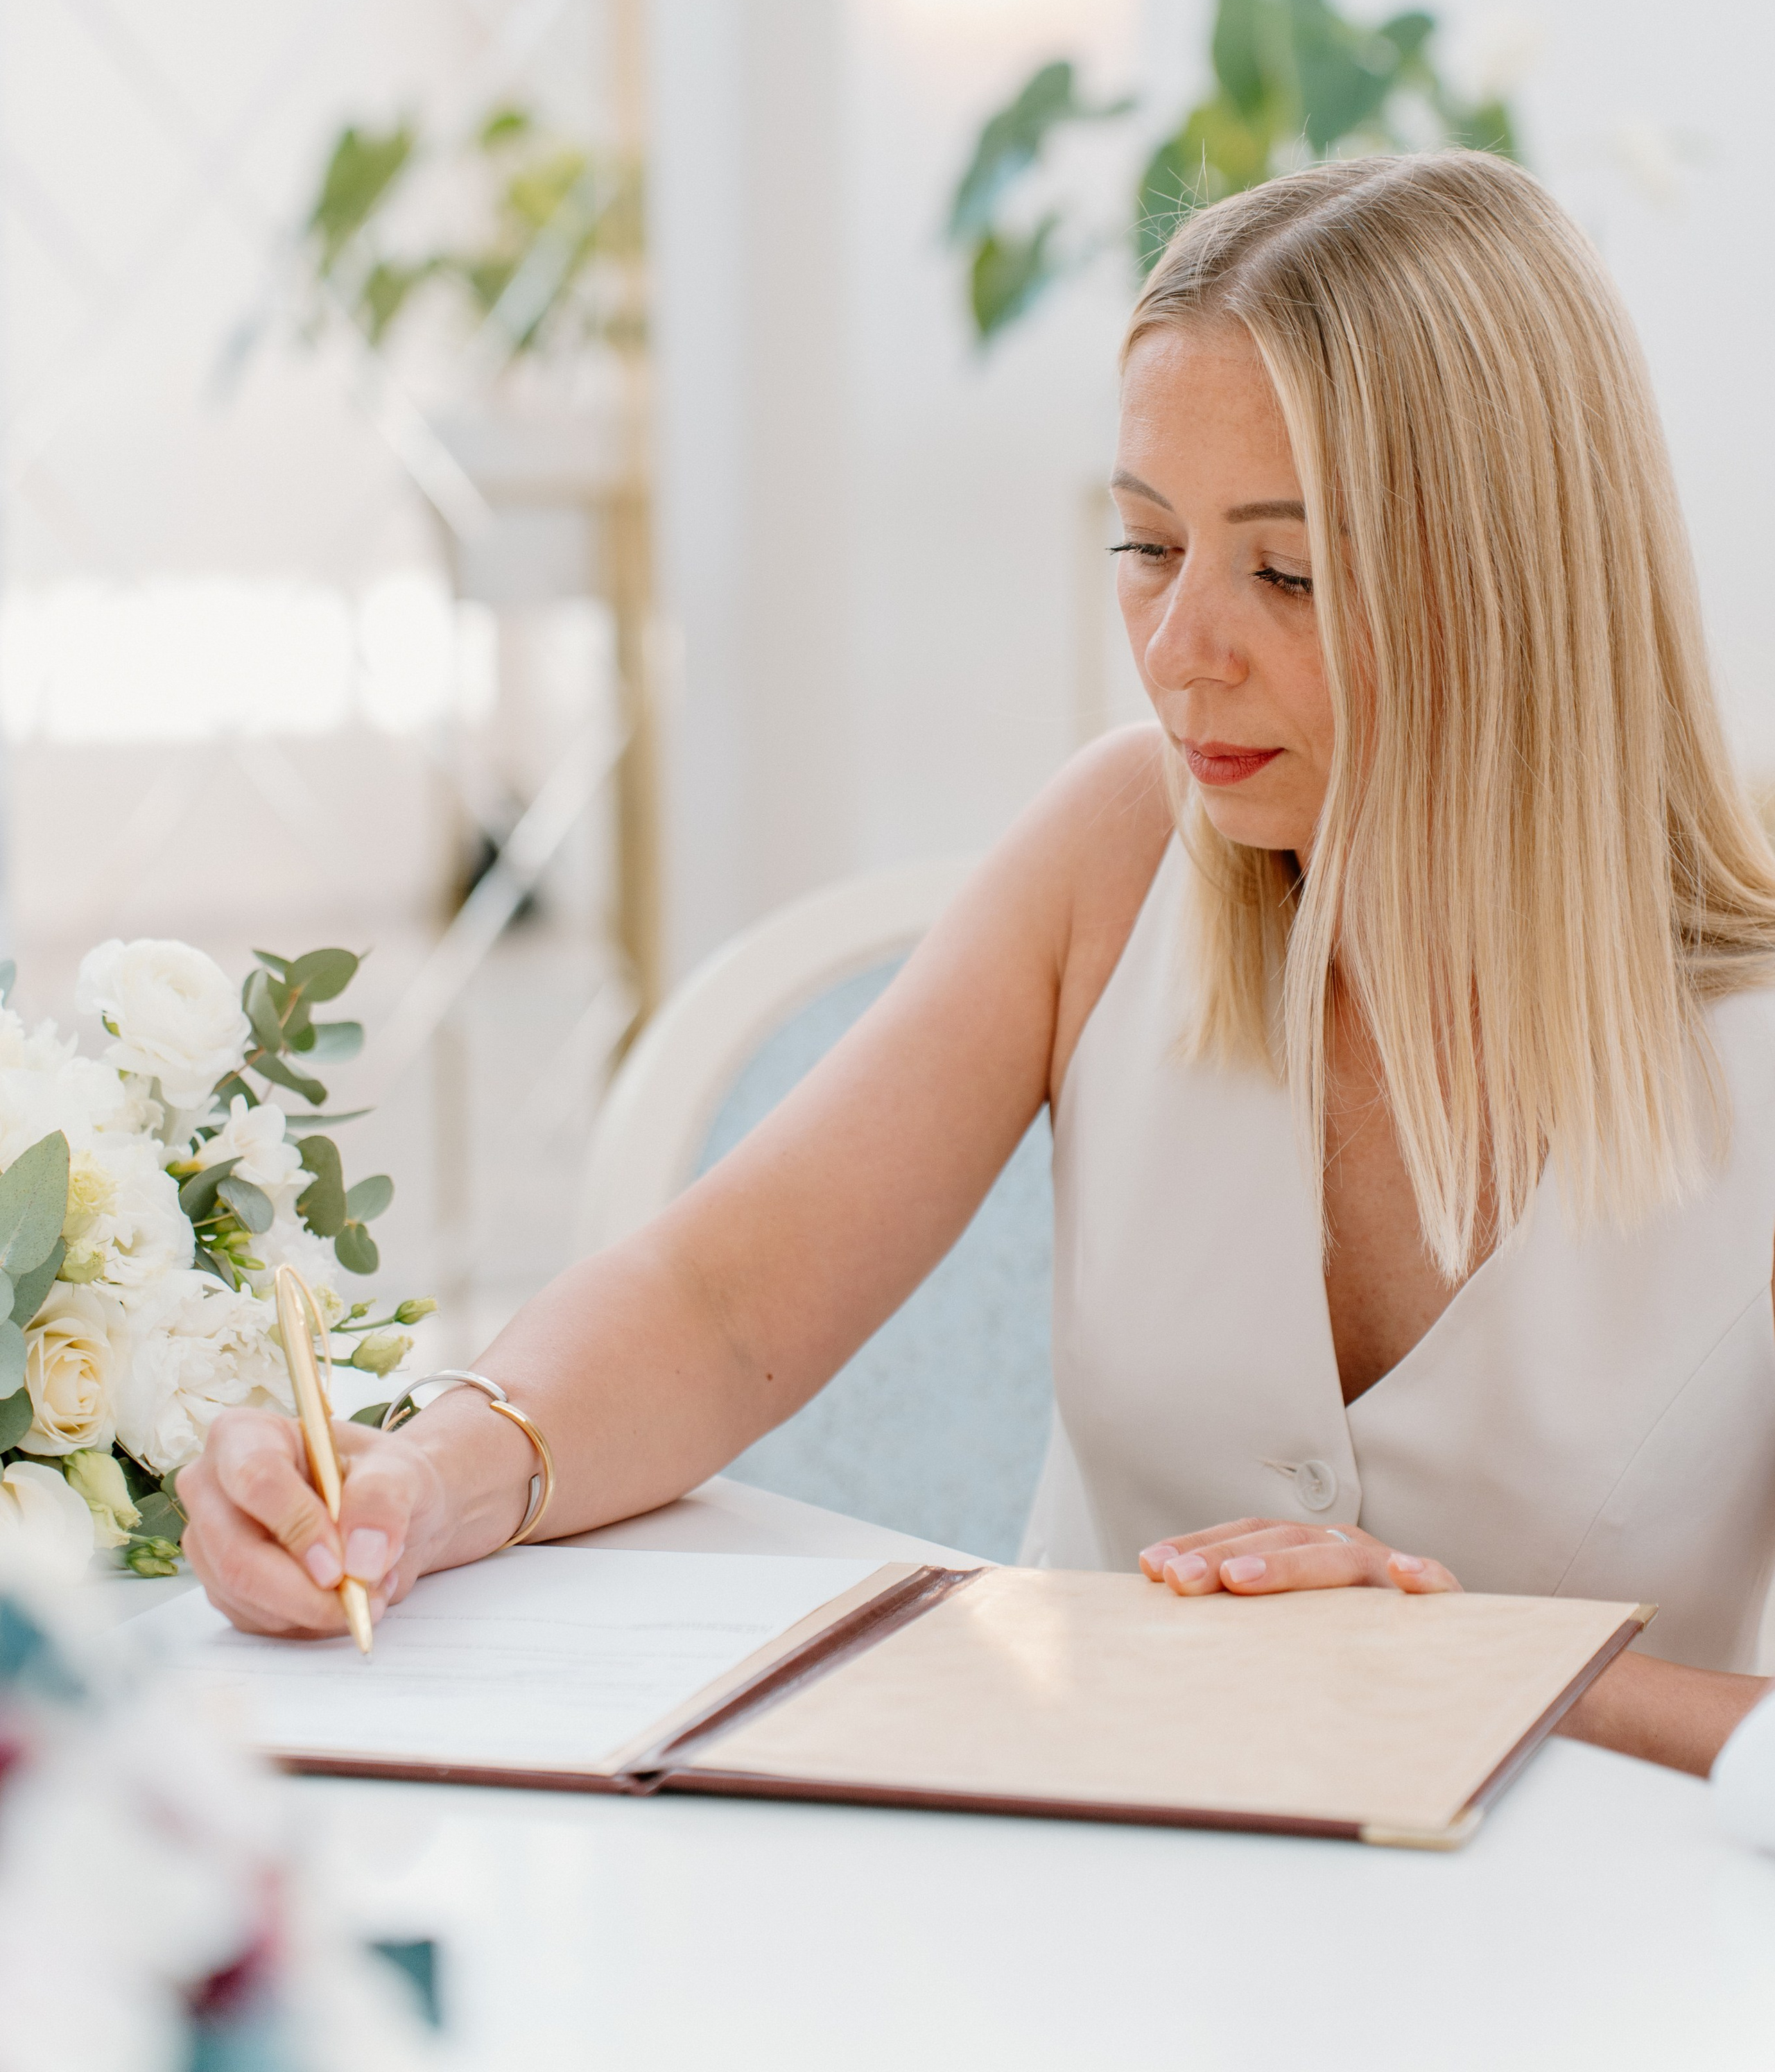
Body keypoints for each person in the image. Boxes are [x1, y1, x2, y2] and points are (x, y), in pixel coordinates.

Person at [182, 149, 1775, 1776]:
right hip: (1088, 1892)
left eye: (1284, 573)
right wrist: (423, 1479)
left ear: (1514, 585)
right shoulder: (1117, 851)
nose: (1178, 650)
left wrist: (1481, 1674)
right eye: (1147, 548)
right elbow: (723, 1305)